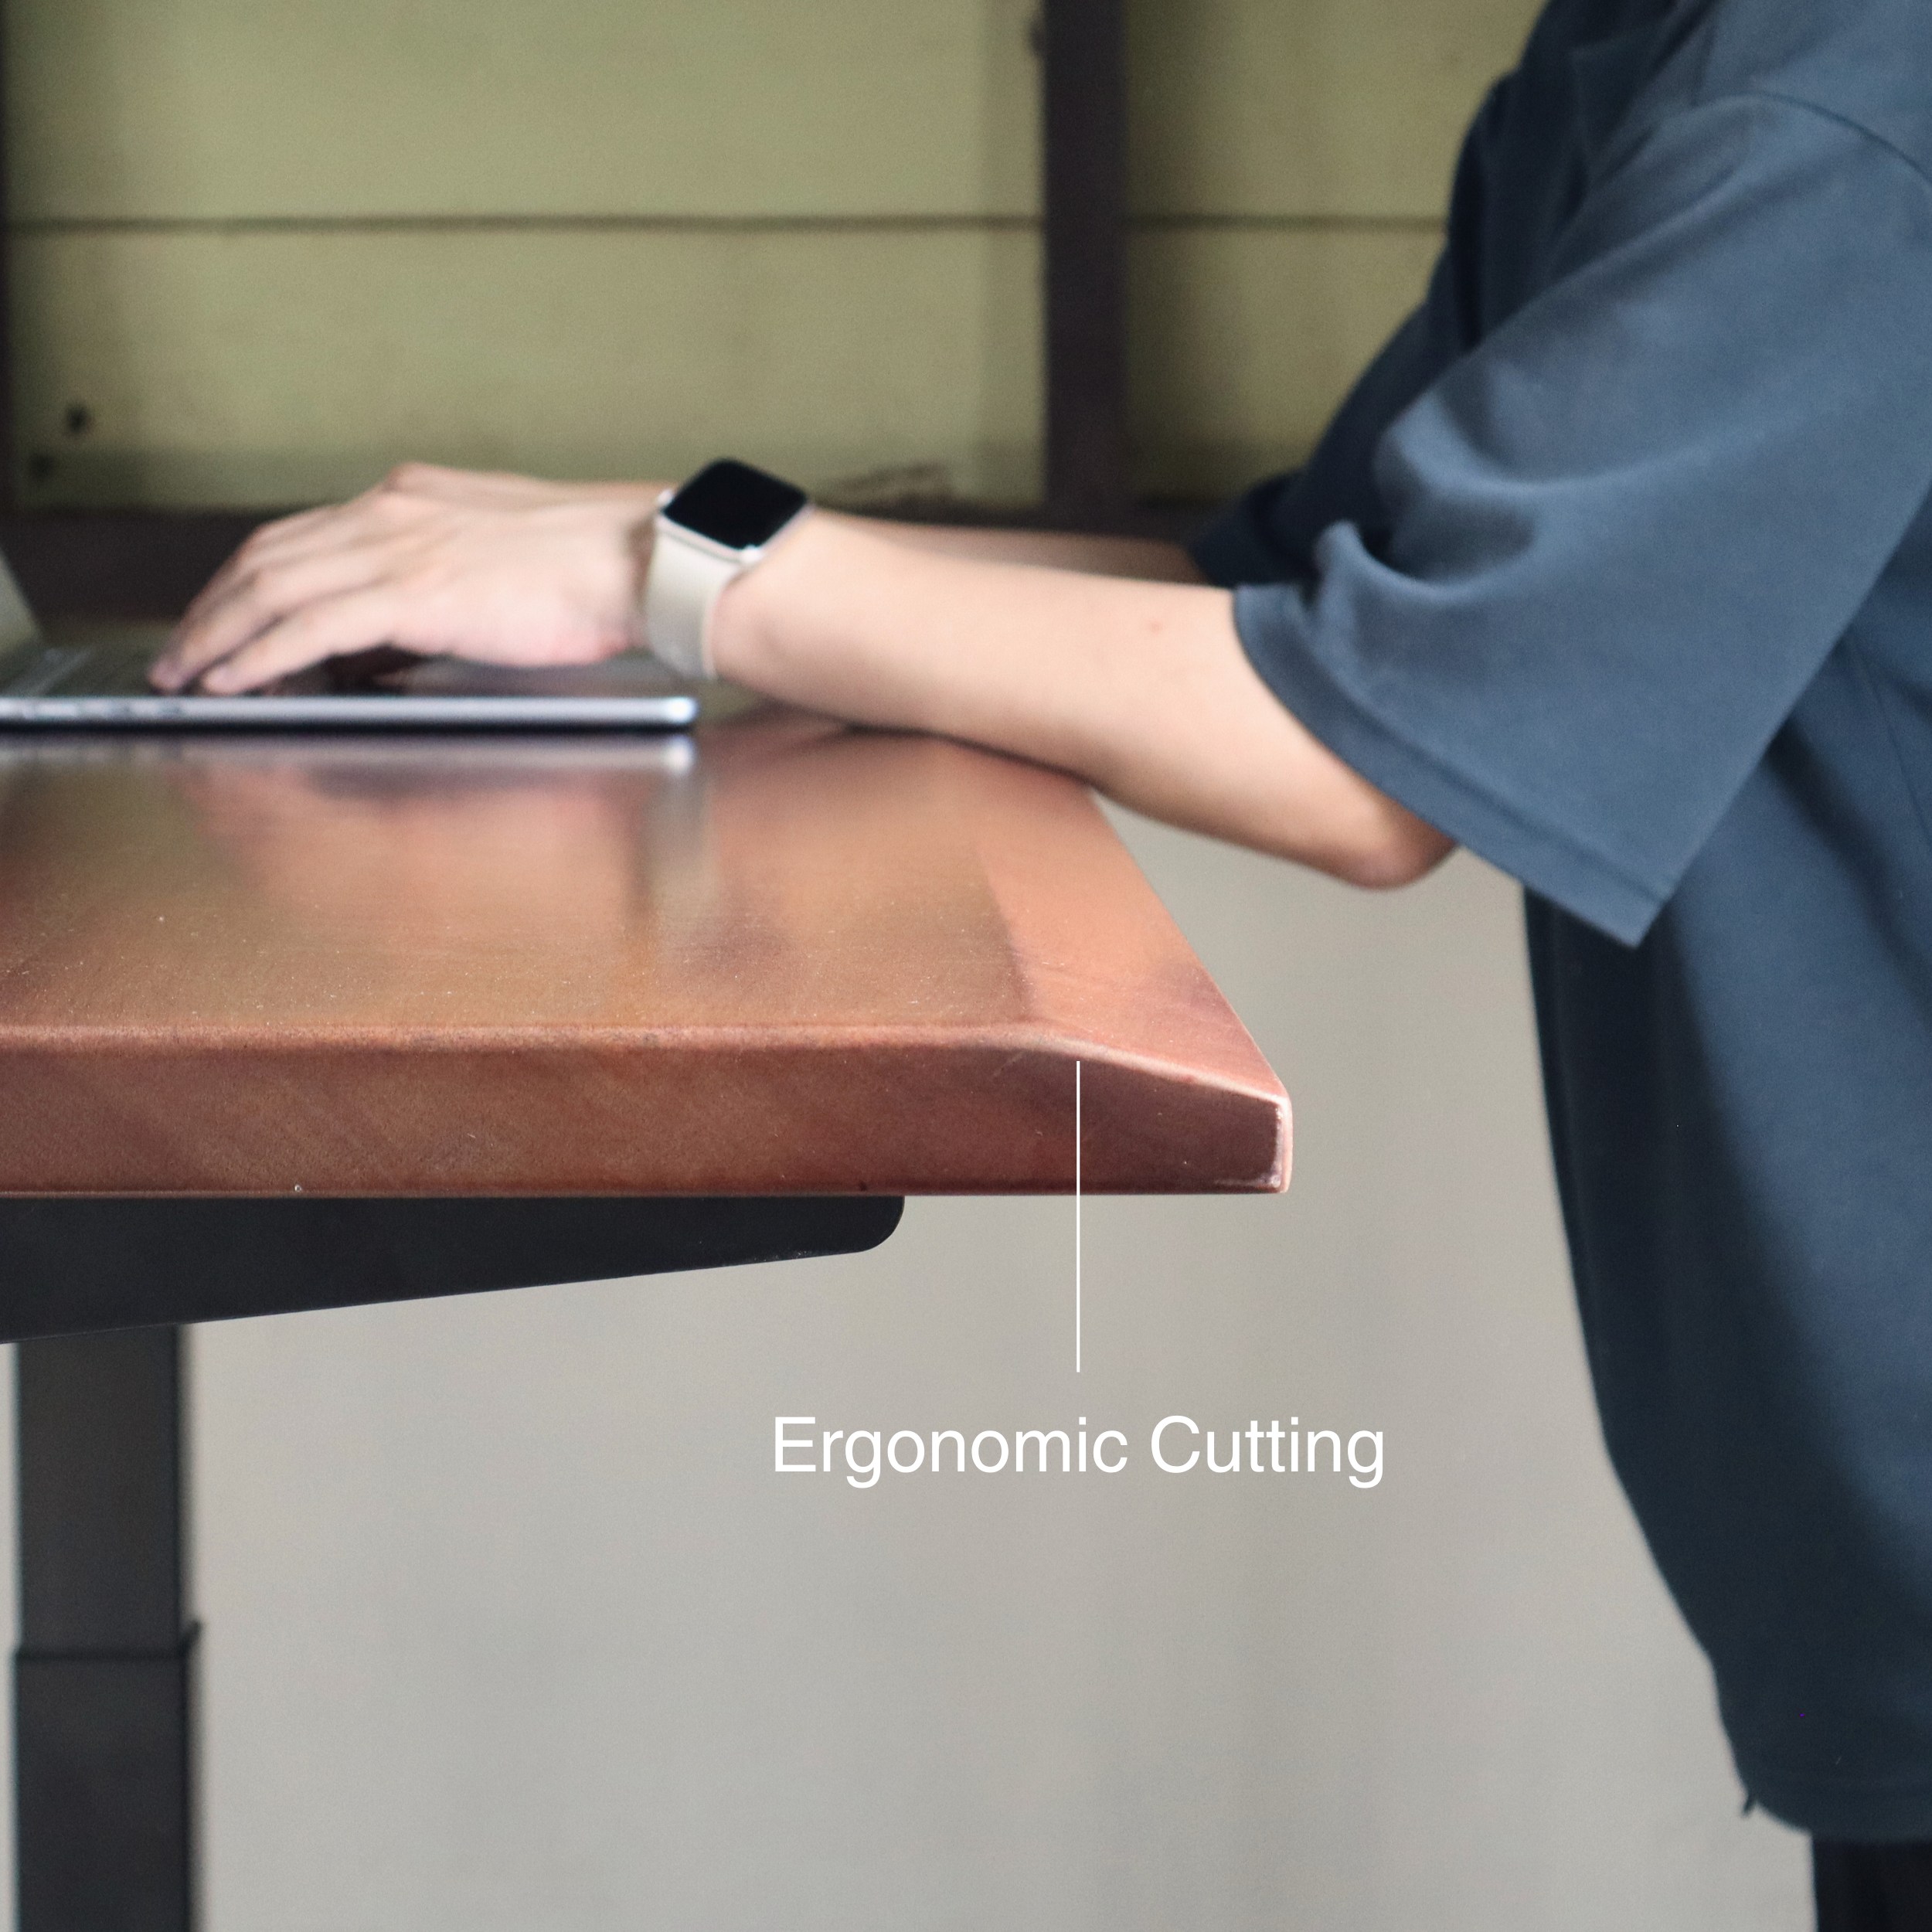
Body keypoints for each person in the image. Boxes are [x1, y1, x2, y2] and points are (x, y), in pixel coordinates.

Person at [154, 0, 1932, 1922]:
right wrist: (659, 551)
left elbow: (1363, 747)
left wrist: (657, 569)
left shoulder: (1834, 95)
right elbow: (1279, 598)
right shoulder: (1639, 56)